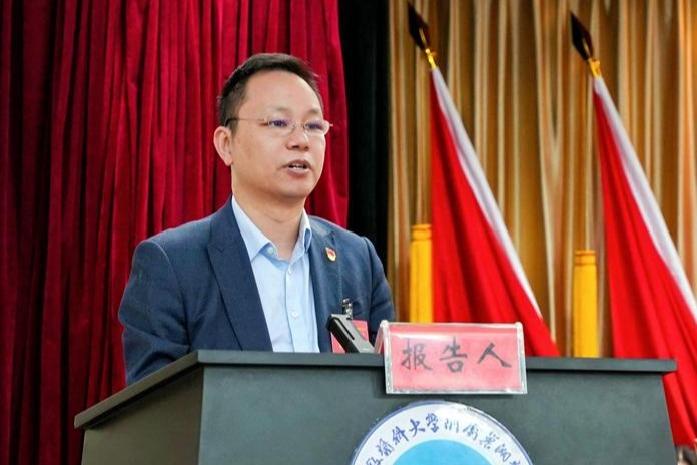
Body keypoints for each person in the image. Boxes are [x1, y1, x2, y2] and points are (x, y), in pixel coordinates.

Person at [118, 53, 394, 384]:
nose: (300, 141)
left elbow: (385, 392)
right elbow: (159, 407)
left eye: (313, 125)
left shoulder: (357, 259)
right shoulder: (172, 265)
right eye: (278, 123)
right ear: (226, 144)